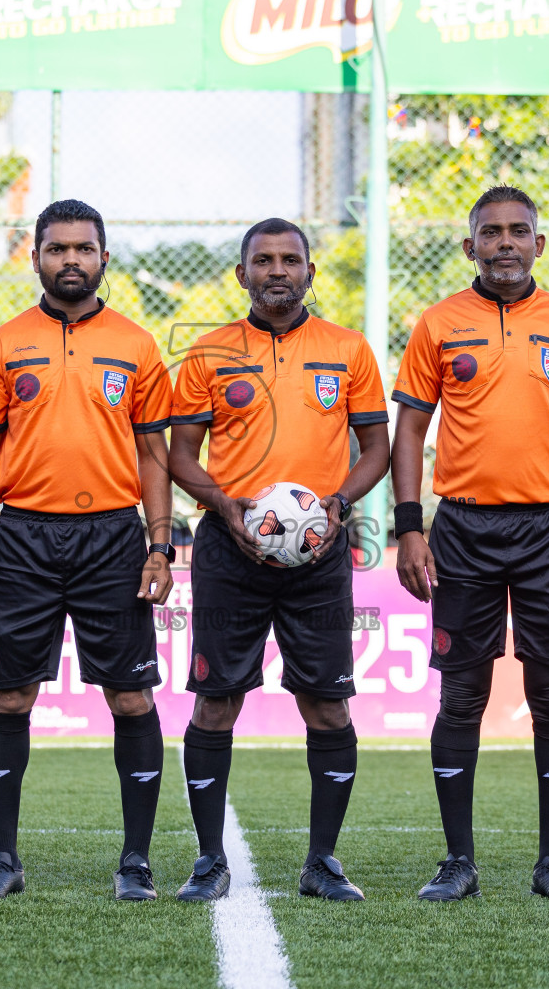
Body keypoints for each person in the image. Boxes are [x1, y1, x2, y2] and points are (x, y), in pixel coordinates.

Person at [391, 185, 549, 903]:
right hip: (463, 528)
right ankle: (457, 862)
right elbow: (409, 430)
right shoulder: (438, 325)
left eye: (517, 232)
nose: (504, 243)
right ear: (469, 247)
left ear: (539, 244)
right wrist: (410, 525)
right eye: (489, 233)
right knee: (462, 695)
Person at [0, 199, 174, 901]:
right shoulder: (4, 344)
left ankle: (135, 861)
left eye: (83, 248)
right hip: (22, 538)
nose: (70, 259)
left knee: (130, 696)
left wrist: (160, 544)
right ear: (36, 257)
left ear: (104, 257)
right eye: (57, 249)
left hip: (113, 537)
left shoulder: (137, 345)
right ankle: (1, 859)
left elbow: (153, 452)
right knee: (11, 694)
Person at [168, 217, 390, 902]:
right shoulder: (208, 353)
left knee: (326, 707)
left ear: (310, 272)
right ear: (241, 274)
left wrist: (336, 504)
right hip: (229, 548)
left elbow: (376, 448)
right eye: (262, 260)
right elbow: (179, 453)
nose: (277, 270)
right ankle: (209, 861)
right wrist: (225, 505)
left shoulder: (348, 351)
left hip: (318, 552)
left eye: (290, 259)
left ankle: (323, 862)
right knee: (215, 703)